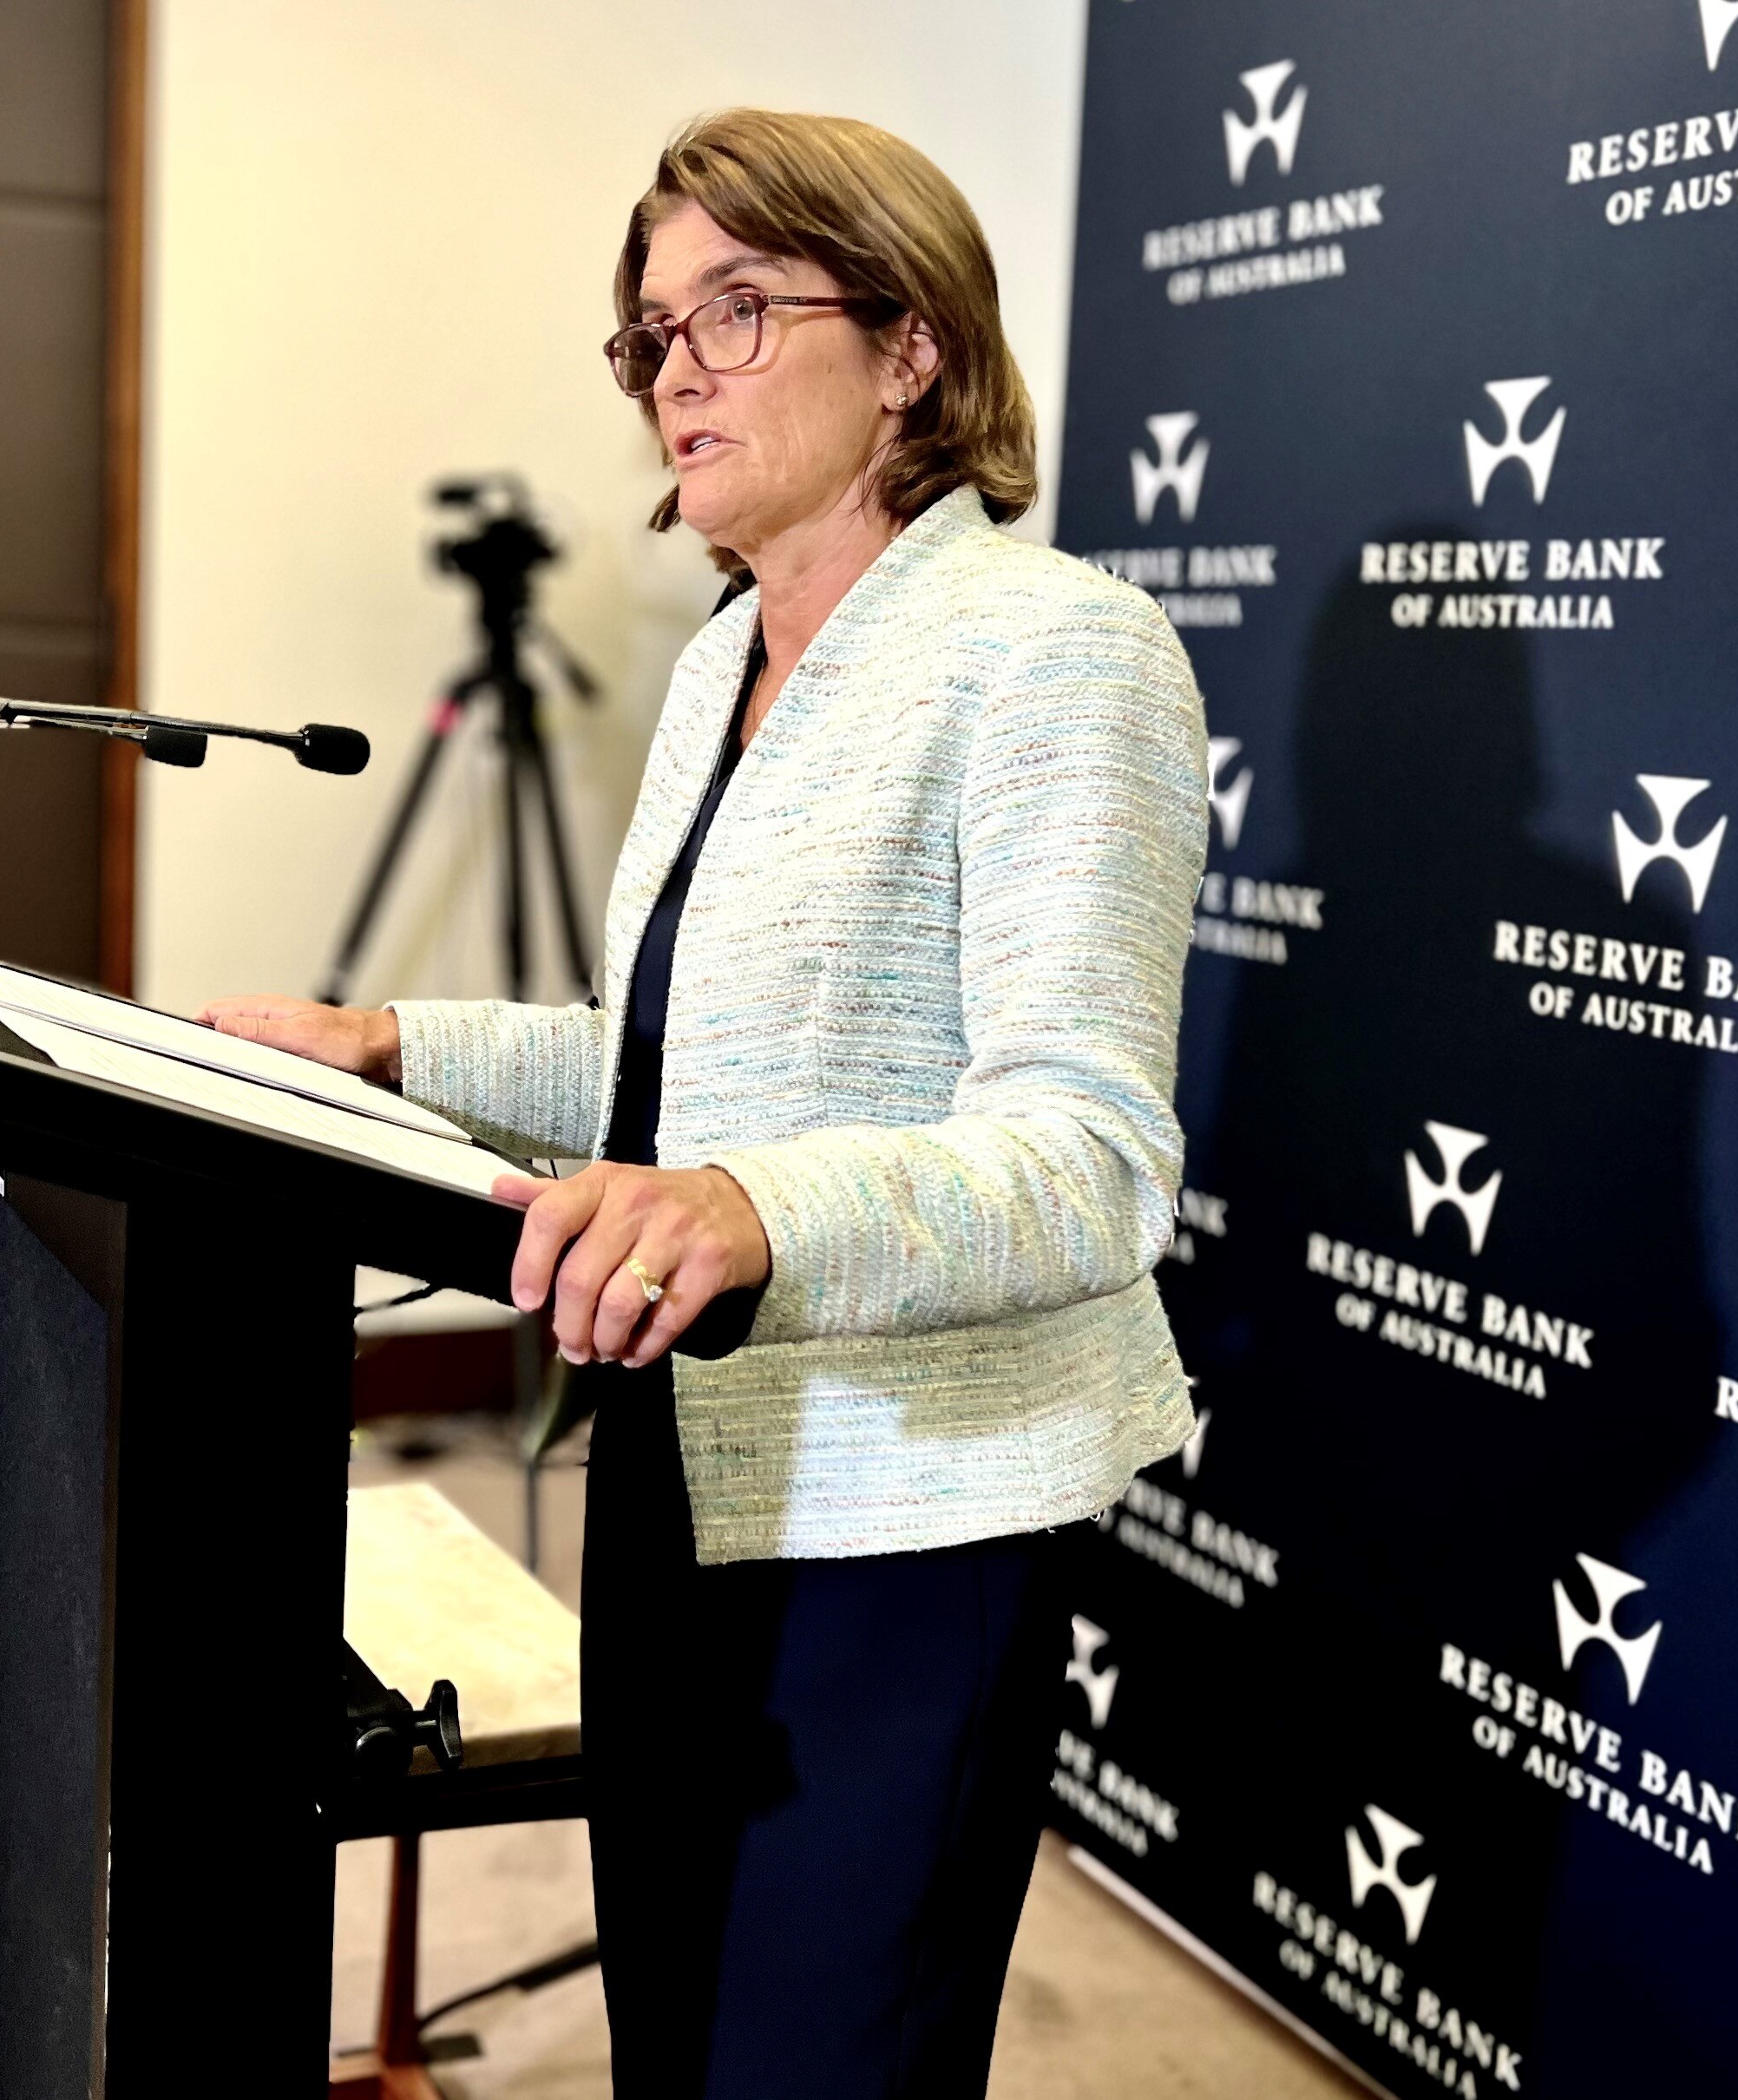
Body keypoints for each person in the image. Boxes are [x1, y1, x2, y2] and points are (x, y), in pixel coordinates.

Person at [203, 108, 1206, 2097]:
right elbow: (669, 1066)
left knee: (816, 2055)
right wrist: (389, 1044)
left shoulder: (1057, 653)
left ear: (911, 346)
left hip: (909, 1508)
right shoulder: (722, 659)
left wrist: (752, 1208)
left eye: (736, 310)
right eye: (652, 330)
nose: (674, 368)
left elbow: (1087, 1161)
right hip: (679, 1441)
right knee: (672, 2024)